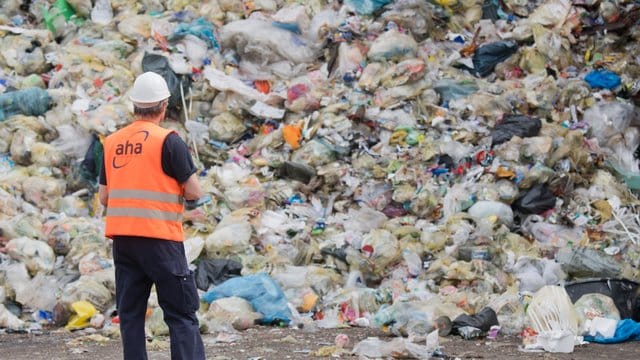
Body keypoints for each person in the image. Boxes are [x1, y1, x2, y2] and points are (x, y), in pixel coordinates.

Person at [98, 72, 206, 360]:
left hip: (123, 241)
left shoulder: (112, 142)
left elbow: (104, 196)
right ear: (164, 105)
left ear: (135, 105)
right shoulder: (169, 141)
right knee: (181, 314)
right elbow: (194, 191)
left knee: (131, 316)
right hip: (160, 240)